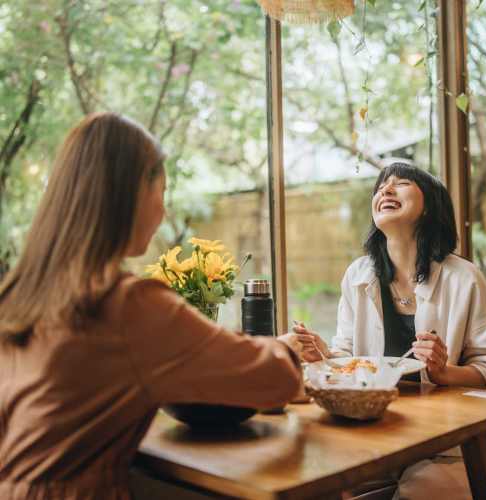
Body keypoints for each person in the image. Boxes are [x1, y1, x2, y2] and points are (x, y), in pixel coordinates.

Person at [0, 112, 302, 500]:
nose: (162, 211)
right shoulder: (127, 304)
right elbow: (275, 379)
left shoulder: (18, 295)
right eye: (162, 190)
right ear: (131, 195)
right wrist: (286, 348)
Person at [280, 162, 486, 500]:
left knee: (420, 493)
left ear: (431, 206)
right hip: (377, 431)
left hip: (449, 438)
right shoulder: (357, 275)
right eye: (381, 186)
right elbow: (353, 358)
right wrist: (324, 356)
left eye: (401, 183)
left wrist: (445, 372)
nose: (386, 189)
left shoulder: (465, 279)